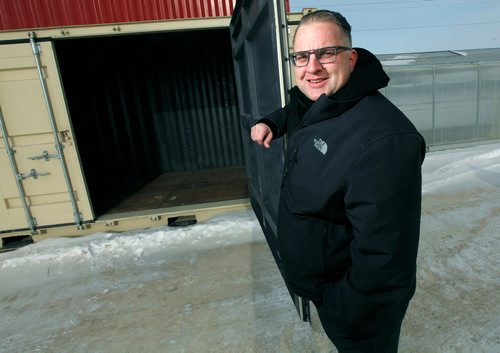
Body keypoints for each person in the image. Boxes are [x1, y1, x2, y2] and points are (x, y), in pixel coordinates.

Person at [250, 9, 426, 353]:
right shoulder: (325, 100)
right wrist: (273, 121)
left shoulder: (384, 139)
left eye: (325, 53)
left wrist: (343, 311)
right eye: (301, 56)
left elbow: (385, 261)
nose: (311, 67)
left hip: (356, 315)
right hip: (323, 288)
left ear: (351, 57)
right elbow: (298, 105)